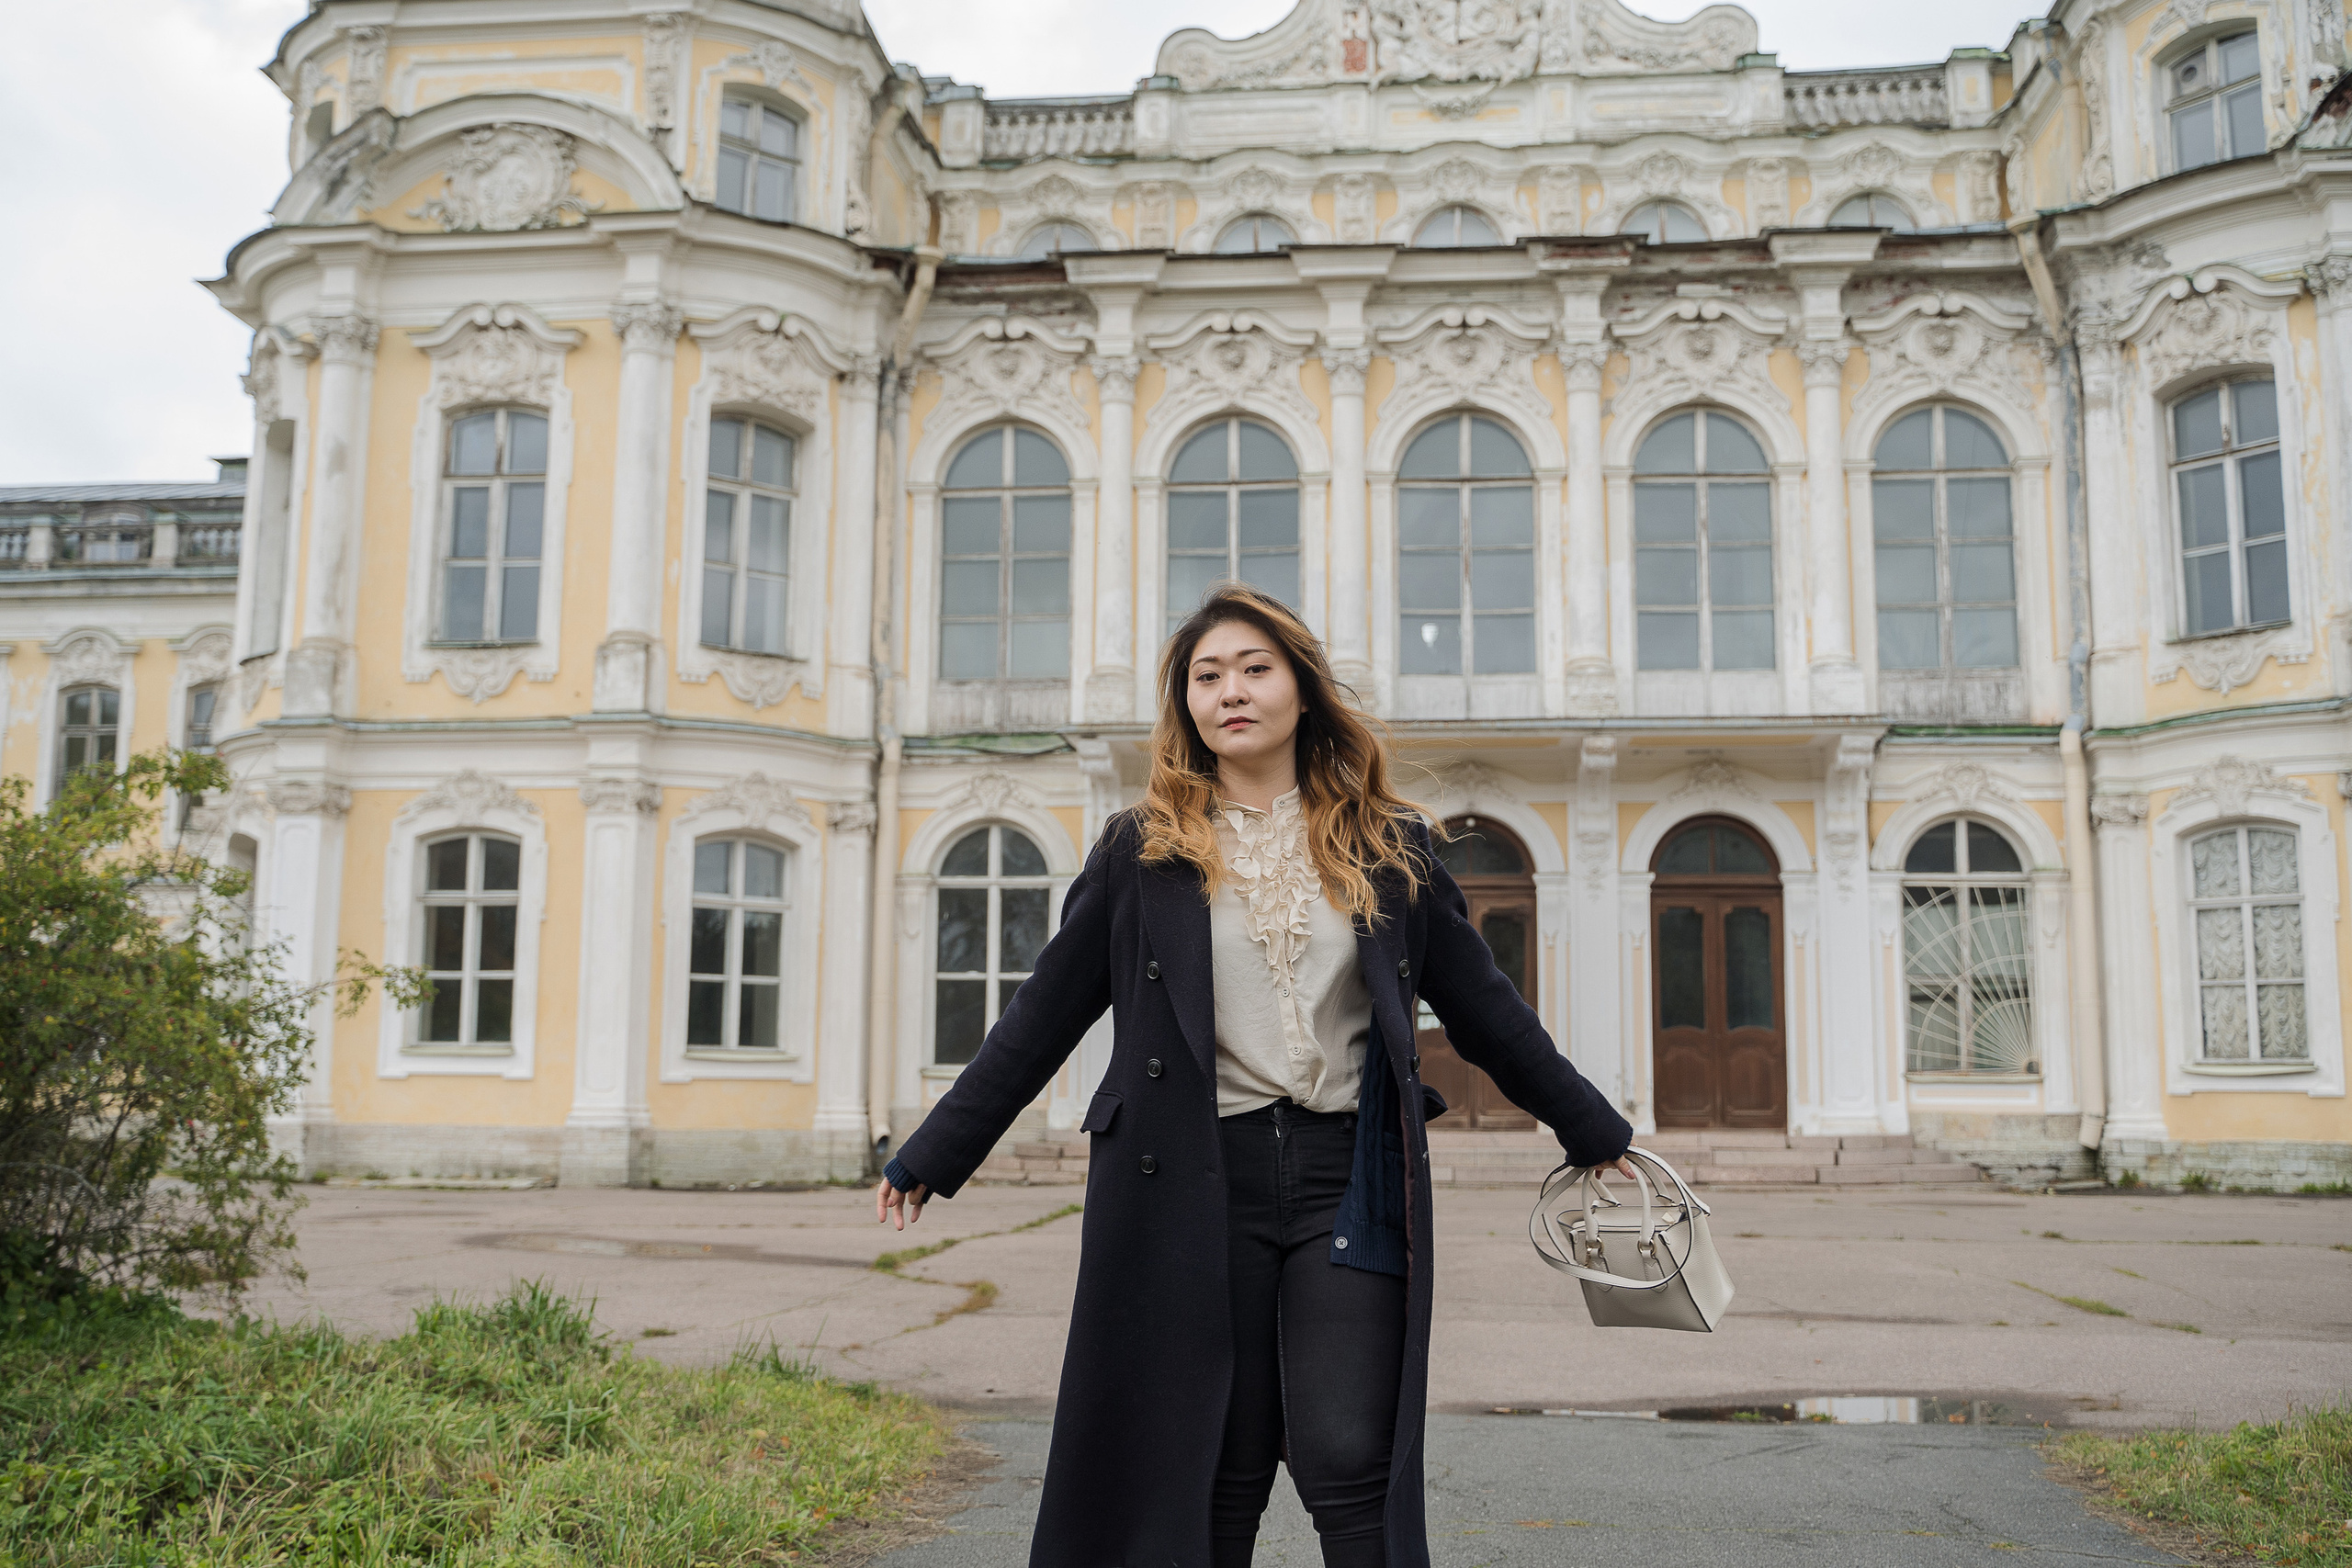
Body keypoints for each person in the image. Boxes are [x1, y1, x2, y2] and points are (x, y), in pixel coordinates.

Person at [875, 582, 1635, 1568]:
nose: (1229, 691)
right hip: (1189, 1179)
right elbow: (1042, 1014)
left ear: (1302, 690)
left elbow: (1488, 1010)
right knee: (1213, 1464)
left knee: (1348, 1453)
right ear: (1187, 705)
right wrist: (934, 1152)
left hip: (1344, 1180)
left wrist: (1594, 1130)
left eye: (1253, 668)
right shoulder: (1141, 851)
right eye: (1207, 676)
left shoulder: (1386, 844)